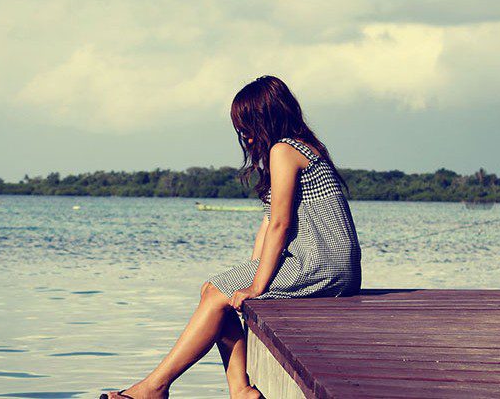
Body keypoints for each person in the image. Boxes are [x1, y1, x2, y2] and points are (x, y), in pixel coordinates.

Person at [102, 75, 362, 399]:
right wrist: (252, 273)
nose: (246, 137)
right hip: (330, 265)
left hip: (320, 264)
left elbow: (281, 225)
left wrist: (257, 286)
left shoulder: (284, 151)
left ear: (266, 119)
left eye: (248, 126)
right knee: (215, 291)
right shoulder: (300, 149)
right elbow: (269, 223)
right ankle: (238, 391)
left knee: (215, 295)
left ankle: (156, 387)